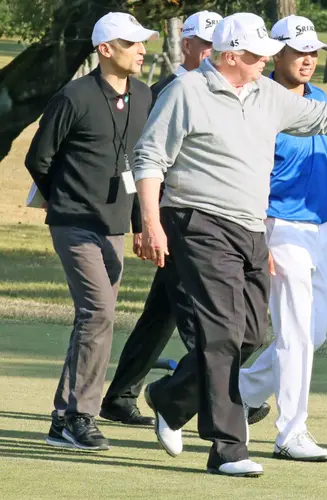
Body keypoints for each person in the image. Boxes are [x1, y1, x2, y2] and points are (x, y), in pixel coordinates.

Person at [132, 13, 327, 477]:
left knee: (250, 334)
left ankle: (171, 397)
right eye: (259, 56)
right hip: (198, 220)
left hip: (250, 228)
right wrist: (150, 222)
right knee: (222, 332)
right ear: (232, 56)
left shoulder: (267, 95)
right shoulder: (187, 92)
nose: (266, 62)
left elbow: (326, 117)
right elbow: (149, 156)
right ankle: (228, 448)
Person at [98, 10, 241, 428]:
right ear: (188, 46)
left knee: (162, 310)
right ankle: (221, 398)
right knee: (197, 311)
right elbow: (138, 159)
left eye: (222, 47)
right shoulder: (162, 91)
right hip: (173, 220)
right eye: (209, 45)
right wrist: (145, 222)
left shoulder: (225, 93)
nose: (218, 53)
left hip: (204, 218)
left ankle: (122, 395)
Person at [24, 12, 158, 451]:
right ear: (105, 50)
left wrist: (141, 224)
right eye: (132, 43)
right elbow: (38, 159)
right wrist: (64, 201)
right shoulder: (74, 96)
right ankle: (81, 414)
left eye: (142, 43)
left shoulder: (143, 96)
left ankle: (62, 418)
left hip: (115, 226)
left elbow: (142, 167)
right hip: (74, 223)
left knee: (93, 320)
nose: (141, 50)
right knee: (99, 313)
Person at [237, 15, 327, 462]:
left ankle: (232, 391)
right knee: (294, 334)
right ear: (274, 54)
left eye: (313, 51)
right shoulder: (261, 102)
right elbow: (252, 174)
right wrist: (259, 238)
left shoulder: (320, 99)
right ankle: (290, 432)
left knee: (312, 334)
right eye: (299, 51)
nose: (308, 59)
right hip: (279, 225)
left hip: (320, 227)